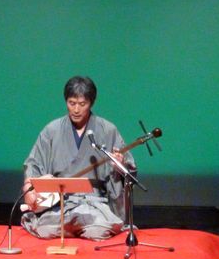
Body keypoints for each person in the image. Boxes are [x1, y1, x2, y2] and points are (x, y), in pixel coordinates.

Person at [21, 76, 135, 241]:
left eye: (82, 104)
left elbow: (128, 169)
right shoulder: (52, 130)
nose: (76, 110)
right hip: (61, 202)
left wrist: (120, 164)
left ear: (91, 103)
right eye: (72, 103)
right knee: (46, 229)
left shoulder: (107, 130)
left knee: (98, 230)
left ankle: (75, 228)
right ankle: (74, 228)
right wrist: (28, 188)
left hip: (94, 203)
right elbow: (33, 163)